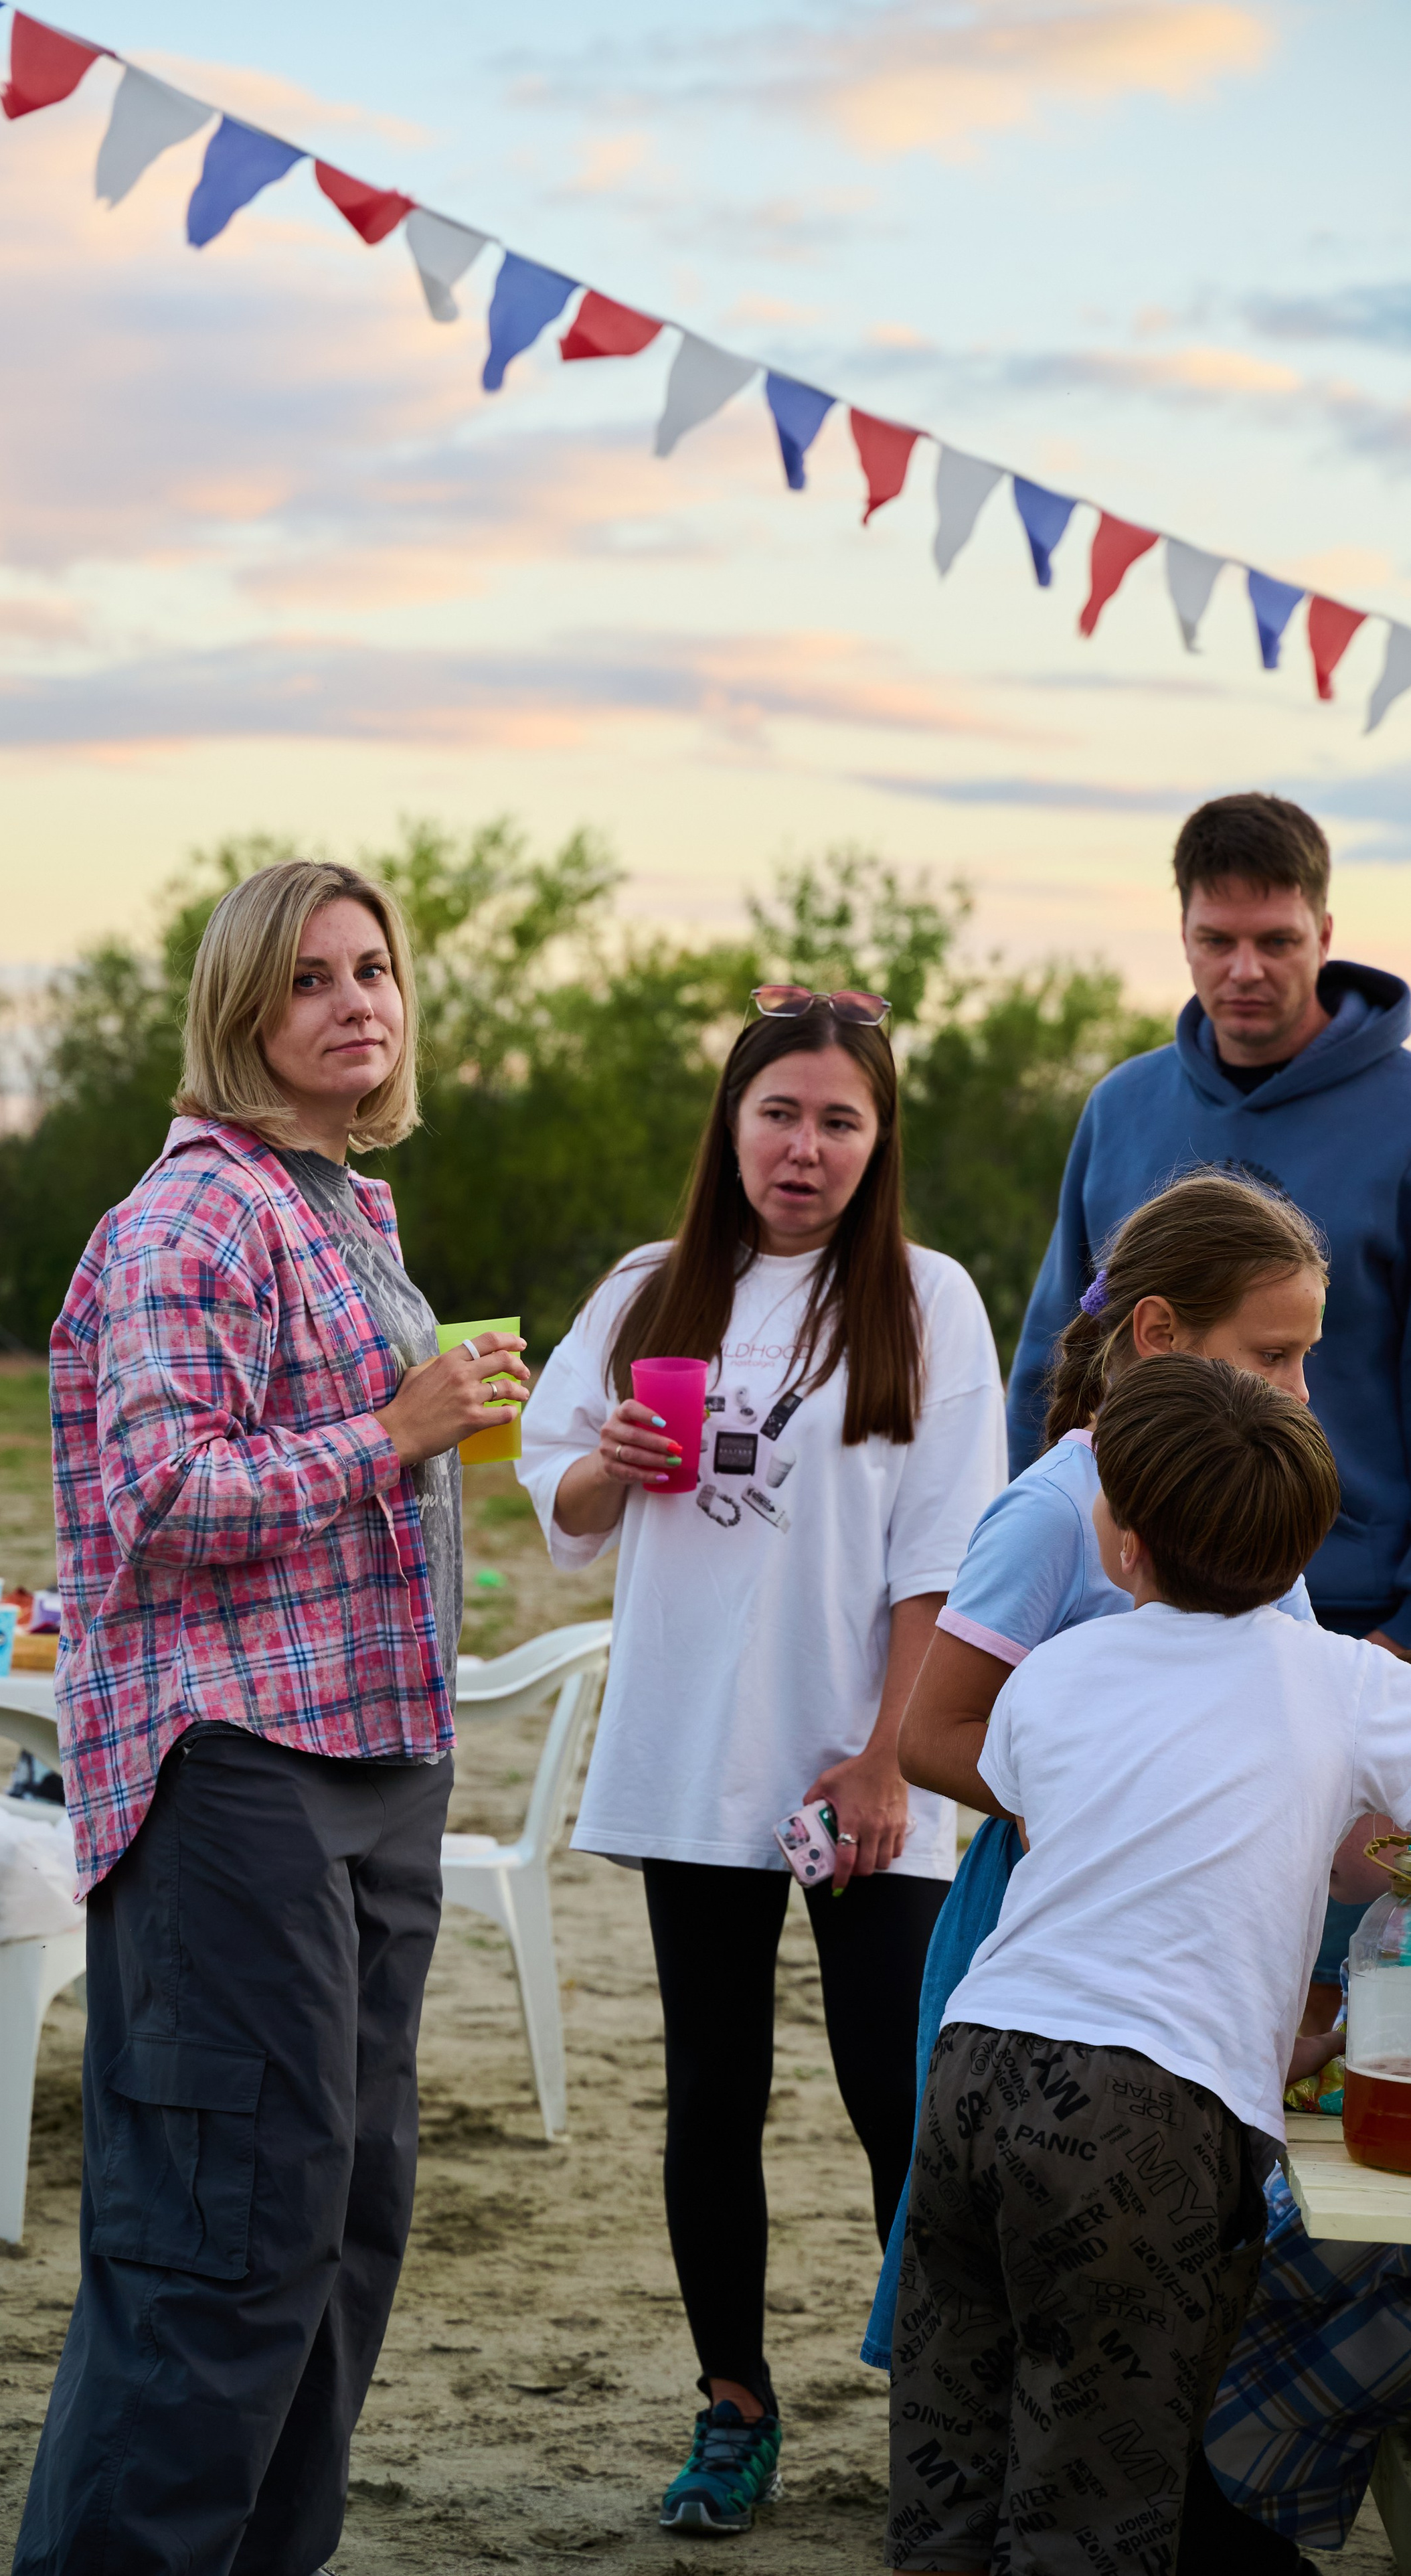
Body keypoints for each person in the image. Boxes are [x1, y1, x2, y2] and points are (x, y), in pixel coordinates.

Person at [13, 859, 529, 2576]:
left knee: (340, 2226)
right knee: (222, 2244)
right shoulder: (192, 1218)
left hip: (376, 1765)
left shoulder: (338, 1210)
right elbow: (162, 1498)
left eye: (372, 968)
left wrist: (427, 1426)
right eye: (309, 979)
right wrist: (395, 1432)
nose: (353, 1002)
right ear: (244, 1012)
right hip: (234, 1777)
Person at [517, 985, 1006, 2537]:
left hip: (864, 1767)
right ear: (729, 1126)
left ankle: (940, 2421)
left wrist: (884, 1758)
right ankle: (733, 2403)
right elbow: (562, 1506)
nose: (803, 1148)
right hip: (690, 1753)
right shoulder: (646, 1290)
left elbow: (943, 1557)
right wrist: (611, 1462)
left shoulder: (927, 1301)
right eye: (778, 1113)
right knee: (709, 2097)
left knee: (896, 2095)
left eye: (838, 1119)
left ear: (878, 1141)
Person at [888, 1355, 1411, 2576]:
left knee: (952, 2454)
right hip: (1144, 2123)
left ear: (1120, 1544)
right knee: (1098, 2489)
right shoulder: (1343, 1681)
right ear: (1304, 1549)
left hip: (976, 2071)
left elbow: (1111, 1859)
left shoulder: (1054, 1675)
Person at [862, 1170, 1327, 2373]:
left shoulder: (1251, 1500)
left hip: (1203, 1940)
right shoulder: (1056, 1513)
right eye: (1270, 1356)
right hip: (1048, 1933)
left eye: (1304, 1359)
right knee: (1005, 2302)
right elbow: (933, 1735)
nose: (1297, 1390)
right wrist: (1118, 1807)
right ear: (1161, 1334)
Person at [1008, 791, 1411, 1660]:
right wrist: (1041, 1563)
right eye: (1216, 941)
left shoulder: (1405, 1118)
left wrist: (1398, 1645)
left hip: (1352, 1621)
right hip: (1127, 1608)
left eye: (1276, 941)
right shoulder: (1122, 1107)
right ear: (1183, 933)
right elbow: (1054, 1357)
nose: (1245, 970)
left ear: (1326, 933)